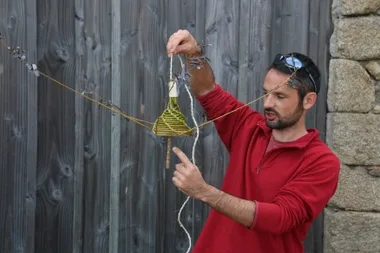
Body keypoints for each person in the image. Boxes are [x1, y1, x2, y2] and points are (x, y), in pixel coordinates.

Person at [166, 29, 340, 253]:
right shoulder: (249, 127)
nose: (267, 103)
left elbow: (280, 218)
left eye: (279, 96)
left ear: (308, 100)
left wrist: (204, 191)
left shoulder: (322, 162)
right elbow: (207, 90)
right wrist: (194, 53)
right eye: (266, 93)